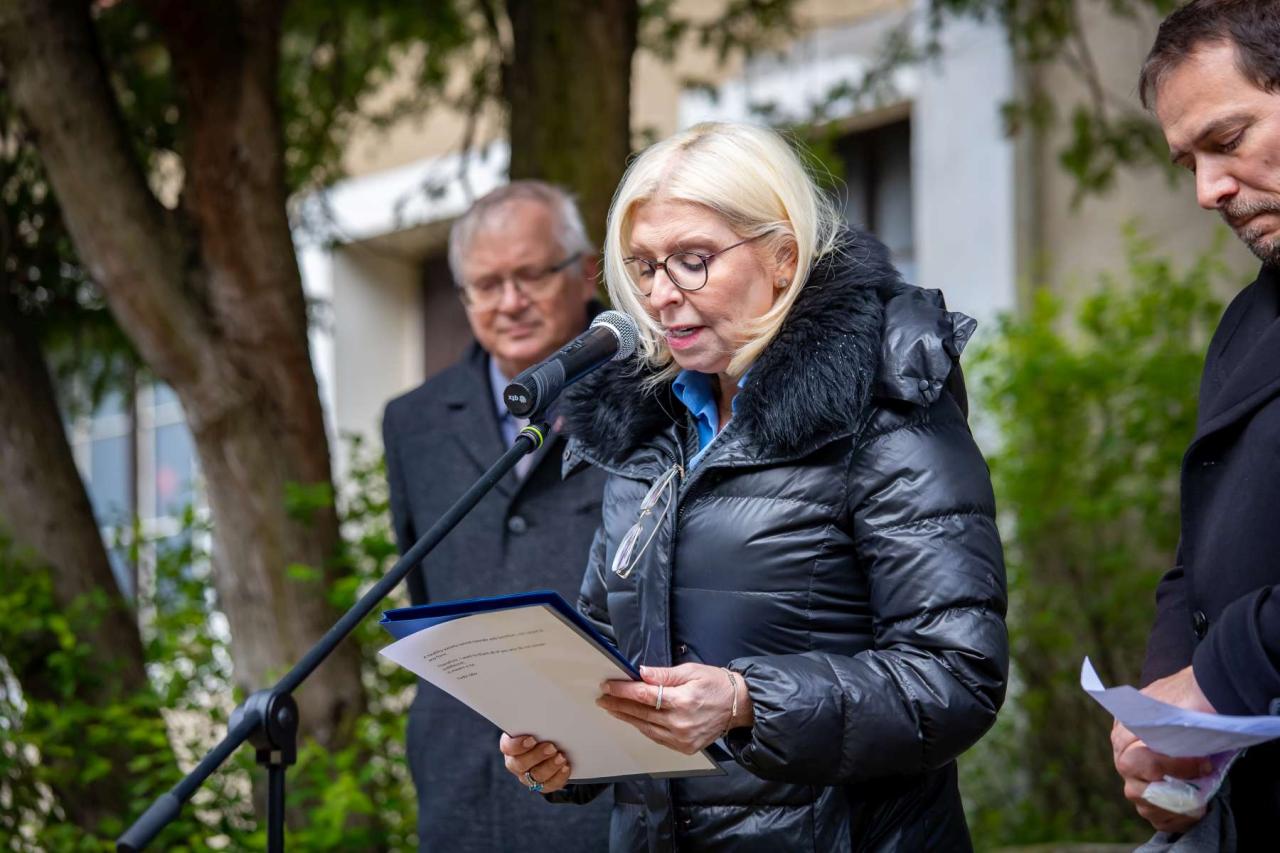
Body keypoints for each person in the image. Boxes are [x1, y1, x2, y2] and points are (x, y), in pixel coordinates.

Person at [496, 122, 1009, 850]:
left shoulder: (884, 406)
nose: (660, 295)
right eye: (642, 267)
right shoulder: (649, 426)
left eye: (692, 261)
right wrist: (564, 745)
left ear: (783, 257)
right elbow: (609, 644)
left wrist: (747, 702)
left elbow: (956, 675)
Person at [382, 181, 611, 851]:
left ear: (586, 271)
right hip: (460, 782)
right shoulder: (414, 421)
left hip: (606, 774)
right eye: (486, 284)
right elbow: (426, 588)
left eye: (532, 275)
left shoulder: (655, 392)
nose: (510, 302)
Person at [1109, 0, 1280, 844]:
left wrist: (1222, 673)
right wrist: (1160, 717)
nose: (1209, 190)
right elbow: (1199, 559)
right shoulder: (1248, 322)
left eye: (1229, 139)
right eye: (1190, 162)